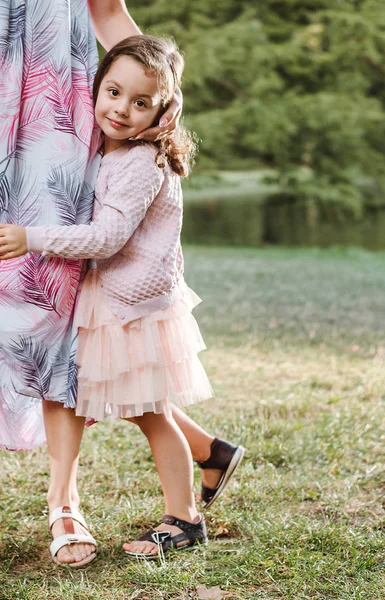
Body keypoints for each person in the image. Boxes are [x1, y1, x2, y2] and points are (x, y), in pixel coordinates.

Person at [0, 1, 243, 567]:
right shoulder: (118, 152)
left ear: (163, 112)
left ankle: (183, 518)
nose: (120, 109)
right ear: (97, 85)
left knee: (150, 410)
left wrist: (31, 238)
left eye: (140, 103)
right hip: (115, 302)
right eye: (113, 93)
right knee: (128, 403)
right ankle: (210, 459)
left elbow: (107, 236)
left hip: (129, 306)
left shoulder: (136, 162)